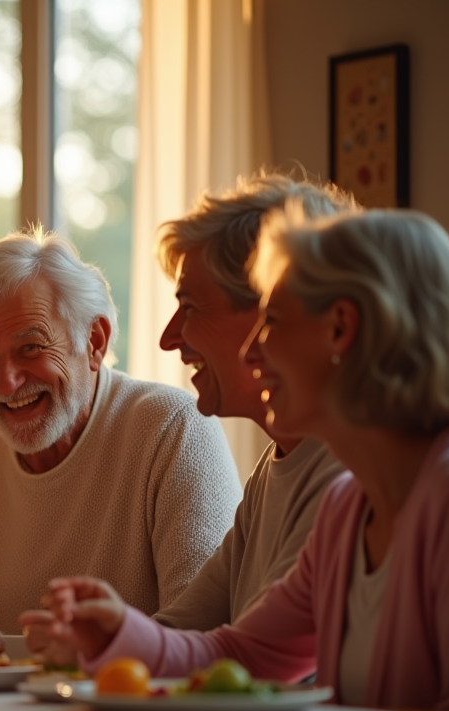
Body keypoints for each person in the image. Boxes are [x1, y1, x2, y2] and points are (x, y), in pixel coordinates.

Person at [42, 208, 449, 711]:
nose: (252, 350)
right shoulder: (347, 508)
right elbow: (243, 652)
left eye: (273, 321)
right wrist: (117, 630)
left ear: (341, 328)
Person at [0, 228, 242, 632]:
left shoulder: (174, 430)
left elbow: (203, 630)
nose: (8, 382)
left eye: (30, 348)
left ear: (94, 341)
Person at [144, 175, 353, 630]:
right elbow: (188, 631)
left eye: (191, 307)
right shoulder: (272, 471)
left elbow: (259, 664)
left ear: (269, 308)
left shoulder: (348, 471)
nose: (168, 338)